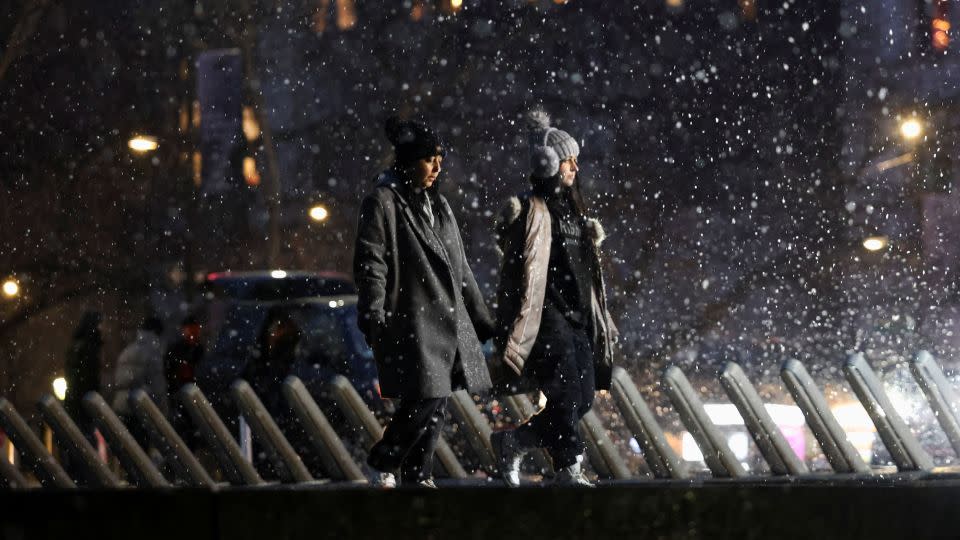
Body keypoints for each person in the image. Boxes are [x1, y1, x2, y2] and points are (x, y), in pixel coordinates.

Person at [354, 116, 495, 488]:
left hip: (446, 320)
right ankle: (386, 459)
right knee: (428, 397)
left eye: (440, 158)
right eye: (429, 158)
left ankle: (418, 477)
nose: (437, 166)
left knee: (437, 402)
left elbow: (460, 267)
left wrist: (481, 319)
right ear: (407, 160)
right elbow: (372, 260)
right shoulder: (383, 202)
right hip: (412, 318)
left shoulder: (439, 205)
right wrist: (373, 309)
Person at [490, 110, 618, 487]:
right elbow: (516, 266)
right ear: (549, 164)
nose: (575, 166)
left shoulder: (575, 214)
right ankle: (569, 470)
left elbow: (589, 279)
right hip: (546, 319)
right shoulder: (531, 210)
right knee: (563, 398)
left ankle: (514, 441)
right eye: (568, 159)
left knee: (582, 401)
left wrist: (601, 321)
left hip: (578, 319)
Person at [111, 316, 169, 433]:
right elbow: (157, 386)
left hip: (120, 407)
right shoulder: (153, 353)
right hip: (141, 409)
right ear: (157, 333)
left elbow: (118, 380)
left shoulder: (128, 350)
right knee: (140, 448)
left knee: (126, 447)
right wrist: (163, 411)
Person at [164, 316, 204, 445]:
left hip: (190, 394)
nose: (192, 334)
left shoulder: (199, 350)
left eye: (195, 331)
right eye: (190, 330)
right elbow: (169, 371)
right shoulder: (177, 349)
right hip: (180, 394)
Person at [64, 310, 104, 438]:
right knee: (86, 440)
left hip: (75, 400)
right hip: (84, 402)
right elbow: (89, 377)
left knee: (77, 439)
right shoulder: (89, 347)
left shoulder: (77, 346)